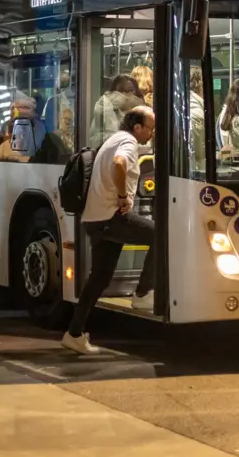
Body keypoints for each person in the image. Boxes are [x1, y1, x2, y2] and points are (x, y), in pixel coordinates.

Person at [63, 107, 158, 355]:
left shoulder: (114, 138)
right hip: (112, 216)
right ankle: (142, 293)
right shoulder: (127, 142)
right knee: (160, 236)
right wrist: (123, 196)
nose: (152, 133)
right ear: (137, 127)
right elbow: (119, 163)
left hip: (94, 219)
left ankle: (74, 333)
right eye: (150, 128)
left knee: (99, 278)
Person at [89, 74, 143, 147]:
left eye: (131, 90)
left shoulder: (139, 110)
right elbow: (103, 137)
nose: (128, 95)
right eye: (122, 91)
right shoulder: (105, 108)